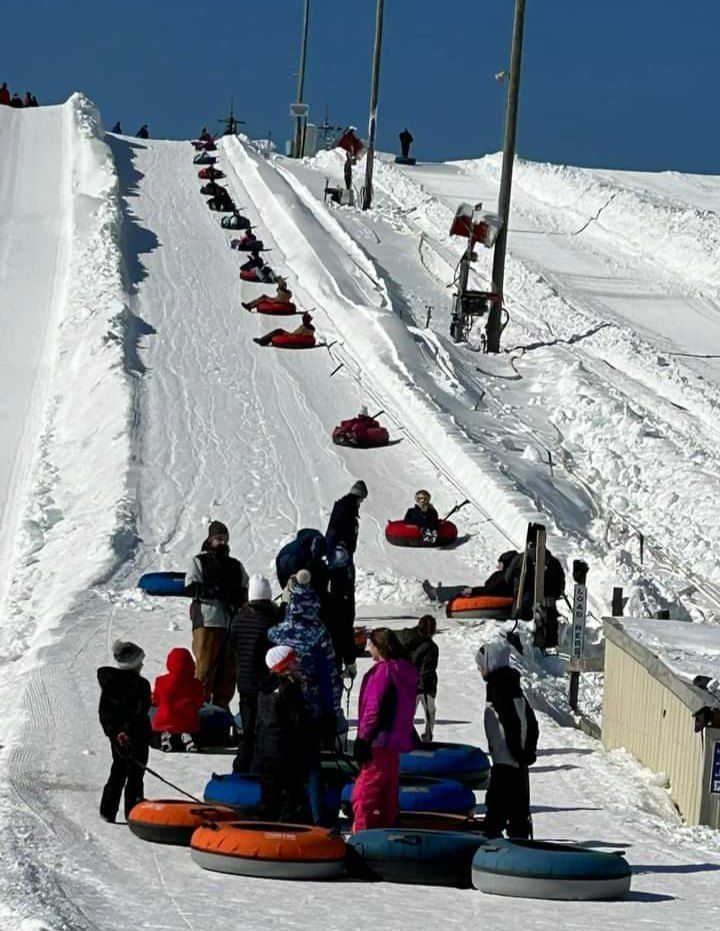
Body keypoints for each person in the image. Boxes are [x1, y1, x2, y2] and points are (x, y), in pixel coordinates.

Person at [268, 569, 342, 823]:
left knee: (285, 763)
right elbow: (329, 676)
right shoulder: (319, 634)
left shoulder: (276, 632)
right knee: (312, 767)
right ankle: (316, 818)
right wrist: (332, 711)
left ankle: (282, 814)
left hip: (280, 708)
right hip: (311, 709)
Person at [351, 628, 418, 831]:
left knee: (364, 793)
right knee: (387, 792)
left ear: (380, 647)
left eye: (370, 645)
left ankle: (361, 835)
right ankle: (387, 830)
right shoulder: (404, 670)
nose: (368, 649)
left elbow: (373, 706)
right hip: (396, 740)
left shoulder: (383, 671)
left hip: (378, 740)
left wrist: (363, 738)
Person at [475, 637, 538, 839]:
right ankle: (519, 839)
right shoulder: (513, 686)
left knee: (497, 805)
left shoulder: (498, 688)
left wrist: (518, 752)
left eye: (481, 666)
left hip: (507, 759)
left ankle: (491, 843)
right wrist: (528, 752)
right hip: (517, 760)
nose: (479, 670)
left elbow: (511, 722)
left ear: (490, 664)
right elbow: (532, 722)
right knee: (518, 807)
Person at [185, 520, 249, 708]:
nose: (222, 542)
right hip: (208, 621)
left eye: (225, 539)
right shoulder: (200, 561)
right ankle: (199, 709)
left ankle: (221, 710)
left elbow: (245, 588)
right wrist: (213, 590)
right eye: (218, 538)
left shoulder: (235, 565)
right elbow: (191, 587)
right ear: (210, 539)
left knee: (228, 672)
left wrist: (238, 599)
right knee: (204, 669)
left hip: (231, 622)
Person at [229, 574, 283, 772]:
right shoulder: (271, 619)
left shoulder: (238, 618)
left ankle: (242, 764)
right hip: (264, 681)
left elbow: (232, 644)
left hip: (244, 680)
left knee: (248, 725)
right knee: (263, 727)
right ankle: (258, 766)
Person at [252, 645, 311, 820]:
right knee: (291, 792)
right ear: (284, 664)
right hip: (286, 748)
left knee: (270, 792)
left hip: (266, 746)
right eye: (293, 661)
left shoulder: (264, 687)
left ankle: (264, 821)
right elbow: (298, 719)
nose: (297, 664)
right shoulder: (290, 687)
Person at [97, 640, 151, 822]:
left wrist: (115, 733)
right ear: (133, 663)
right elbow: (141, 712)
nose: (142, 664)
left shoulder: (110, 684)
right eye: (140, 661)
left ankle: (107, 810)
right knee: (136, 775)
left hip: (118, 738)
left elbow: (105, 713)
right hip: (137, 737)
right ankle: (134, 812)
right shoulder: (141, 685)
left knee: (118, 771)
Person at [505, 538, 565, 649]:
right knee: (549, 625)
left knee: (521, 626)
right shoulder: (553, 562)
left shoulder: (519, 559)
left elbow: (508, 578)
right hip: (547, 603)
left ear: (529, 544)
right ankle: (550, 647)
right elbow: (560, 586)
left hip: (522, 602)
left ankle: (526, 650)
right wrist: (553, 595)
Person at [151, 647, 205, 753]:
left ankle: (166, 736)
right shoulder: (196, 684)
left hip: (164, 723)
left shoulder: (161, 681)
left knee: (152, 712)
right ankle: (186, 736)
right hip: (189, 724)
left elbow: (156, 700)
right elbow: (199, 703)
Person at [396, 615, 439, 742]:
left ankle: (404, 736)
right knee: (430, 712)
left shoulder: (405, 637)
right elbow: (427, 669)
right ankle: (427, 737)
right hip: (424, 686)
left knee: (406, 714)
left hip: (406, 682)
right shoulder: (431, 647)